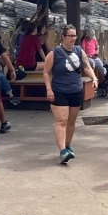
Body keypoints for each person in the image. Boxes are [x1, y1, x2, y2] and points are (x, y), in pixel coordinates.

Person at [43, 24, 98, 164]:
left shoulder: (79, 51)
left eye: (75, 35)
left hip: (76, 89)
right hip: (59, 90)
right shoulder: (54, 53)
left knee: (71, 121)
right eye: (70, 36)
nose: (73, 38)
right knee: (62, 121)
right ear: (63, 37)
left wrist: (94, 78)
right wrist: (48, 89)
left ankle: (67, 146)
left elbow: (86, 66)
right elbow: (46, 72)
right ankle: (62, 151)